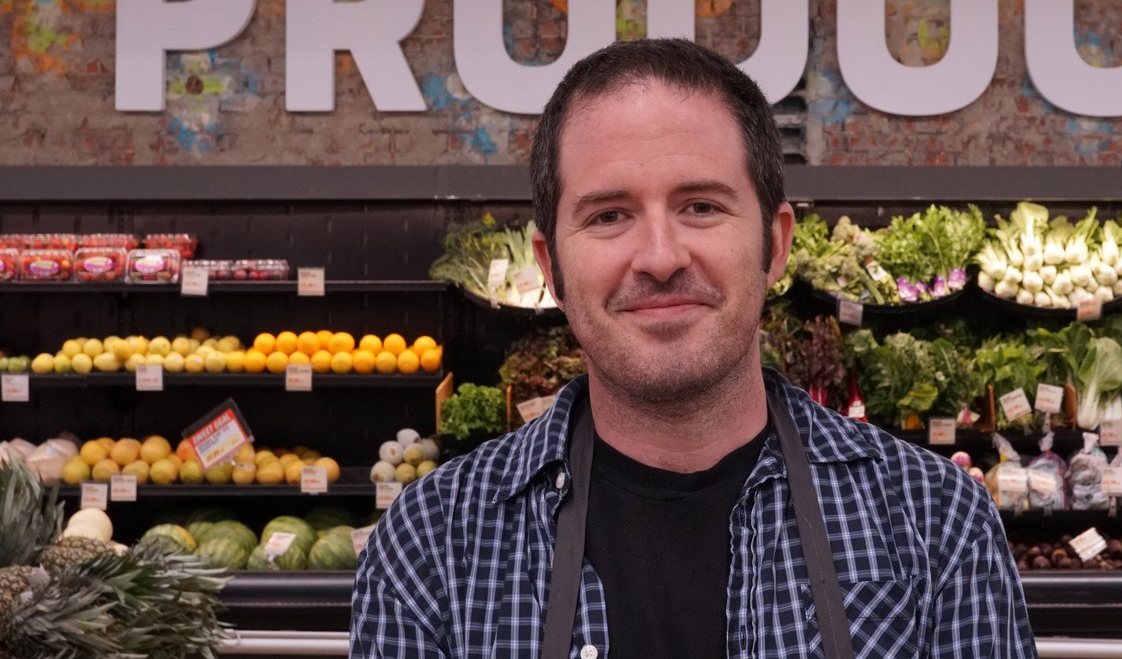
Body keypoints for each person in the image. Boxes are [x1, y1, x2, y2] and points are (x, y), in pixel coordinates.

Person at [351, 38, 1036, 658]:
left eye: (701, 206)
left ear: (774, 245)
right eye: (609, 215)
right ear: (551, 266)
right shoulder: (431, 545)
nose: (658, 256)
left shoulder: (936, 523)